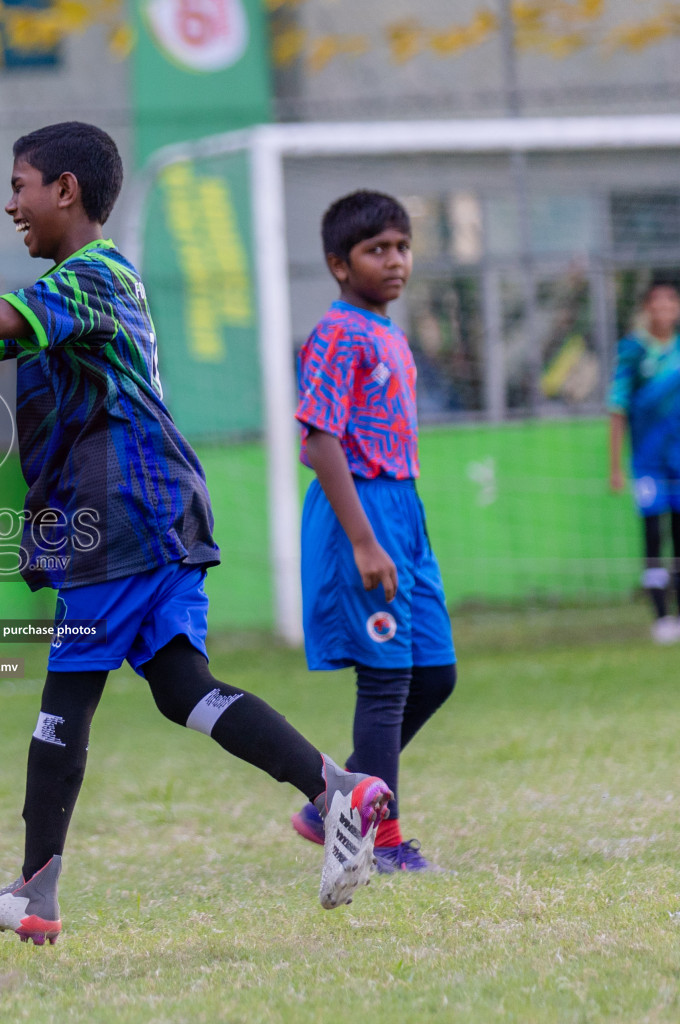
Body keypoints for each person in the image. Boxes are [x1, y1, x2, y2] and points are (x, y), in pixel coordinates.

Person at [0, 122, 391, 945]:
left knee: (65, 702)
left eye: (21, 185)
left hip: (120, 514)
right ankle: (337, 790)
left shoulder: (95, 275)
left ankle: (35, 892)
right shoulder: (67, 290)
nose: (10, 202)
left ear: (66, 190)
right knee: (179, 686)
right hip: (151, 512)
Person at [291, 190, 457, 875]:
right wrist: (363, 540)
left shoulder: (387, 329)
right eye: (374, 250)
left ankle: (330, 800)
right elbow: (319, 440)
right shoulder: (337, 332)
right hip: (360, 510)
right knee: (385, 682)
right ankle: (382, 844)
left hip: (403, 508)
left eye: (401, 247)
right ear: (338, 264)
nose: (393, 261)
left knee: (435, 674)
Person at [608, 281, 680, 643]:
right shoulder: (631, 351)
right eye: (656, 301)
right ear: (647, 307)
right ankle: (662, 619)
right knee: (653, 534)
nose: (664, 307)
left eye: (671, 301)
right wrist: (614, 466)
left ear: (678, 307)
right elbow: (617, 409)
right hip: (647, 461)